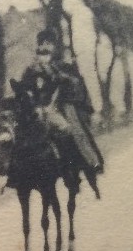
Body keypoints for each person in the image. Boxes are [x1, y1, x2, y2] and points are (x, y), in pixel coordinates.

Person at [13, 28, 103, 197]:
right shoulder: (30, 69)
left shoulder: (62, 66)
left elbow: (74, 83)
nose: (45, 47)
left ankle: (75, 166)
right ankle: (16, 175)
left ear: (53, 47)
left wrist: (57, 76)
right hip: (37, 109)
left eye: (48, 43)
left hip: (58, 106)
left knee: (71, 130)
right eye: (42, 43)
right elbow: (25, 88)